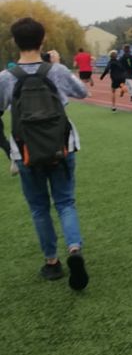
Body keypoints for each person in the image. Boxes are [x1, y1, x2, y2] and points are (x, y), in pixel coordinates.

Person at [0, 17, 90, 290]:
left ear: (15, 42)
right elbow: (82, 92)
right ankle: (74, 248)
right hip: (61, 146)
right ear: (43, 40)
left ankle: (52, 262)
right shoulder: (56, 70)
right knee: (65, 203)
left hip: (25, 150)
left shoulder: (6, 77)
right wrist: (59, 63)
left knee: (39, 208)